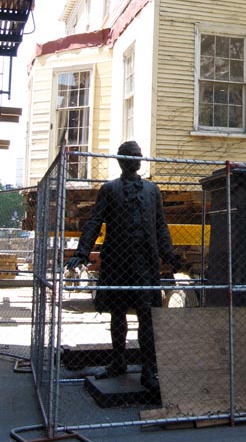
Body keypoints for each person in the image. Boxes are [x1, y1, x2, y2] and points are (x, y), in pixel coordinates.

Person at [65, 141, 179, 391]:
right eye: (132, 156)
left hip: (145, 262)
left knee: (146, 315)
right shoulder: (109, 189)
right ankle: (118, 361)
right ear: (122, 160)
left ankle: (148, 370)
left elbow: (160, 225)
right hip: (117, 262)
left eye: (139, 155)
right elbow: (94, 221)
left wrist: (169, 254)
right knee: (117, 313)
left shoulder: (152, 190)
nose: (137, 159)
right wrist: (82, 253)